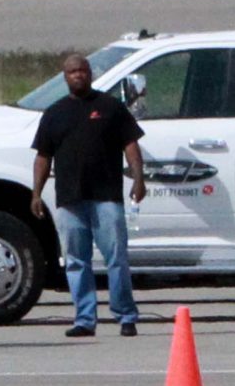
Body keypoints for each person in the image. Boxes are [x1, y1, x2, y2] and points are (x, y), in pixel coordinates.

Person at [30, 52, 147, 337]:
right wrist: (36, 193)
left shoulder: (110, 107)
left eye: (82, 70)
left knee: (116, 258)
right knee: (76, 261)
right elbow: (43, 157)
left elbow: (131, 145)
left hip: (106, 197)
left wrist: (138, 178)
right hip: (70, 200)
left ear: (90, 74)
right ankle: (84, 319)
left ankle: (125, 316)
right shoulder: (54, 113)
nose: (78, 75)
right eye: (72, 72)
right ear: (65, 77)